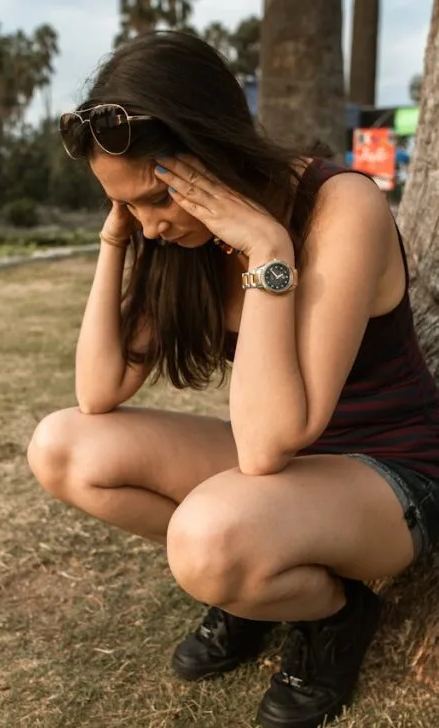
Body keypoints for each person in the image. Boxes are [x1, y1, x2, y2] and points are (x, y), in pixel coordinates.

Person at [27, 31, 439, 728]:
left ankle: (335, 615)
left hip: (388, 470)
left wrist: (269, 250)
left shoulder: (341, 208)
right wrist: (115, 237)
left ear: (208, 154)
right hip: (284, 466)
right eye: (126, 205)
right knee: (63, 446)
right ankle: (258, 588)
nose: (152, 226)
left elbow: (267, 446)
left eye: (156, 200)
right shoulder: (173, 236)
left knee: (206, 540)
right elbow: (99, 391)